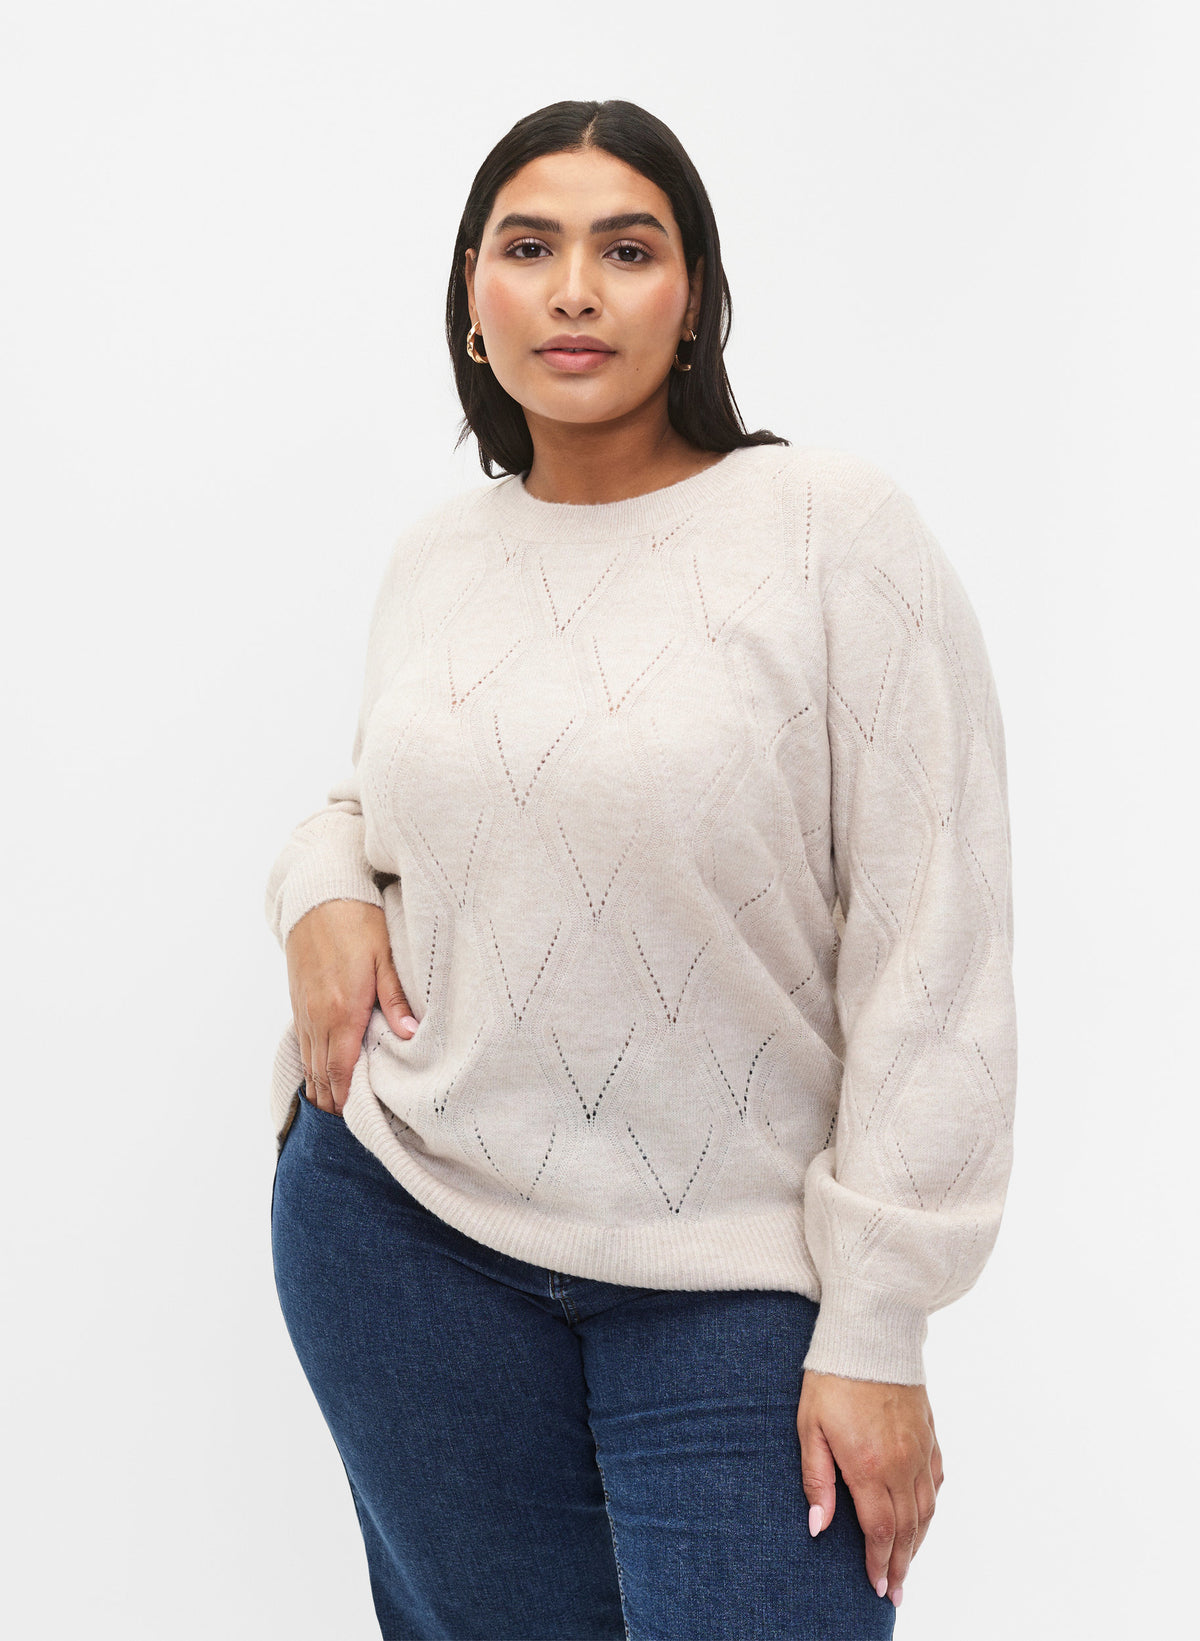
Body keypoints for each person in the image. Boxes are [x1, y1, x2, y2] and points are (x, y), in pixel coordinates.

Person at [264, 97, 1017, 1641]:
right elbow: (389, 799)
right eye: (529, 248)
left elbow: (932, 940)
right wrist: (320, 882)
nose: (574, 291)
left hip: (739, 1282)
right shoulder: (438, 559)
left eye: (626, 249)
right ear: (473, 296)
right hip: (407, 1239)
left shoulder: (830, 530)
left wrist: (879, 1321)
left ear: (695, 298)